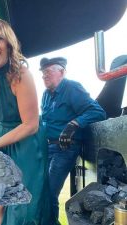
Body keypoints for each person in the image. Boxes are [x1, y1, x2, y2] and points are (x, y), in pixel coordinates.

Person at [0, 18, 53, 225]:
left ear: (9, 44)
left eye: (0, 38)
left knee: (20, 209)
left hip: (26, 145)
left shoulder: (21, 74)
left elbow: (31, 125)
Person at [39, 57, 106, 223]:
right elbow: (44, 121)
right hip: (47, 148)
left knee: (49, 192)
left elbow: (97, 112)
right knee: (40, 191)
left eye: (48, 71)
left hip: (65, 149)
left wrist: (73, 124)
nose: (44, 76)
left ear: (61, 72)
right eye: (42, 73)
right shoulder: (46, 95)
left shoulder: (71, 87)